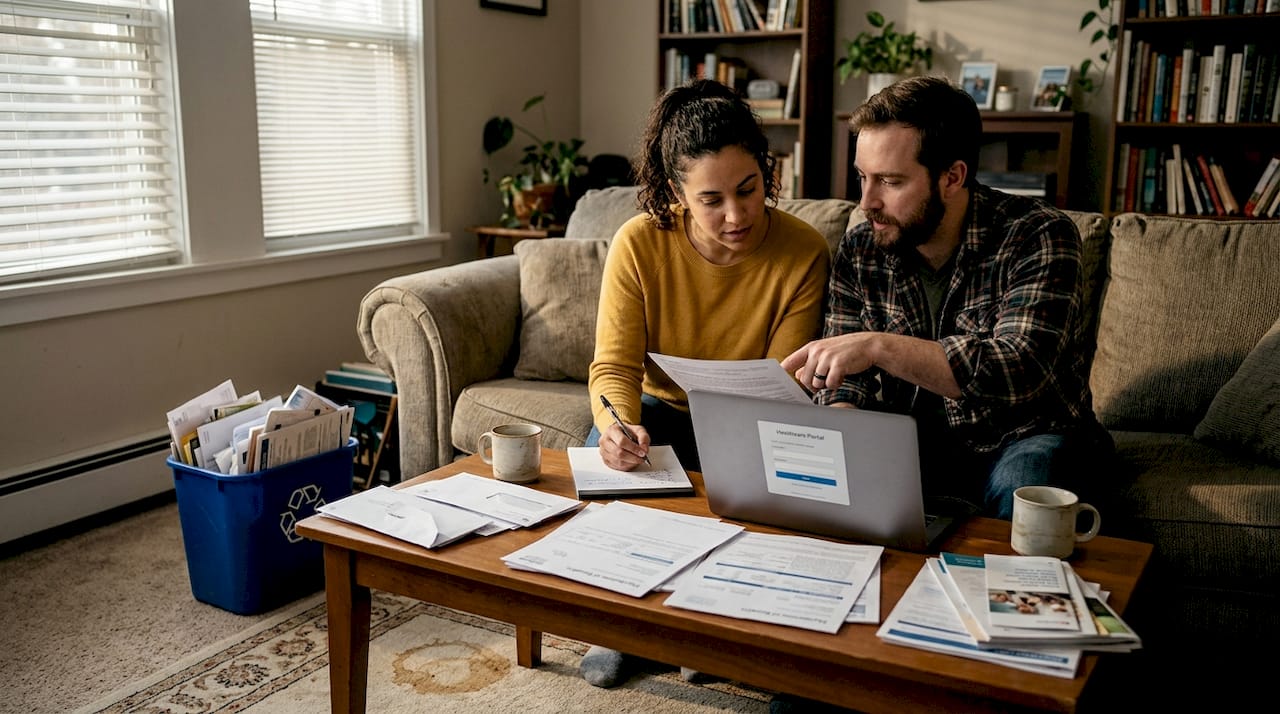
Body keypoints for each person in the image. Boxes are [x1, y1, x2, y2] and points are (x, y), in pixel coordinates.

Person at [580, 78, 831, 689]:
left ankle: (711, 630)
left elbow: (781, 380)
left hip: (752, 421)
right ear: (677, 193)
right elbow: (613, 368)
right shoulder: (639, 243)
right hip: (660, 414)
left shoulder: (803, 251)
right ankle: (625, 626)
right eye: (711, 199)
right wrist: (616, 425)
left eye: (748, 189)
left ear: (768, 173)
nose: (736, 215)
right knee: (600, 457)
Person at [781, 75, 1113, 524]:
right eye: (862, 177)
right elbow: (844, 380)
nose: (866, 202)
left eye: (889, 181)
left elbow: (1018, 370)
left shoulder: (1039, 235)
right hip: (912, 439)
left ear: (952, 177)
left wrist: (878, 346)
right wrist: (844, 434)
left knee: (1027, 484)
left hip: (1025, 435)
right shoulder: (862, 248)